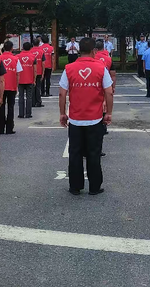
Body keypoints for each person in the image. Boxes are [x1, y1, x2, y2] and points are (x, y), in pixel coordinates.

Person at [59, 37, 114, 196]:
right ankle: (94, 187)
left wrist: (63, 113)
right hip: (95, 118)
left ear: (78, 50)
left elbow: (62, 93)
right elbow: (109, 92)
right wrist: (108, 113)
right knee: (94, 152)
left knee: (75, 153)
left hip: (75, 119)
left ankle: (75, 187)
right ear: (93, 51)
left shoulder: (69, 68)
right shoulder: (101, 68)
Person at [0, 40, 23, 134]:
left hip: (1, 86)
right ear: (12, 48)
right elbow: (18, 74)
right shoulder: (15, 59)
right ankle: (9, 128)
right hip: (12, 86)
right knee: (11, 107)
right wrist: (16, 85)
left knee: (1, 107)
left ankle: (0, 128)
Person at [17, 42, 37, 119]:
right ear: (30, 48)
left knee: (21, 97)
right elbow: (35, 70)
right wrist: (34, 79)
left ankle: (21, 113)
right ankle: (28, 113)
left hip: (20, 79)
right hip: (29, 79)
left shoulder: (18, 56)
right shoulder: (33, 57)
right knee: (29, 97)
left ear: (22, 47)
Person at [31, 38, 46, 108]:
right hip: (39, 71)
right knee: (38, 87)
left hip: (31, 72)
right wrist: (43, 73)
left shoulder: (30, 51)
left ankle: (32, 102)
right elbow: (43, 63)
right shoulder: (41, 51)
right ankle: (38, 102)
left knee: (32, 88)